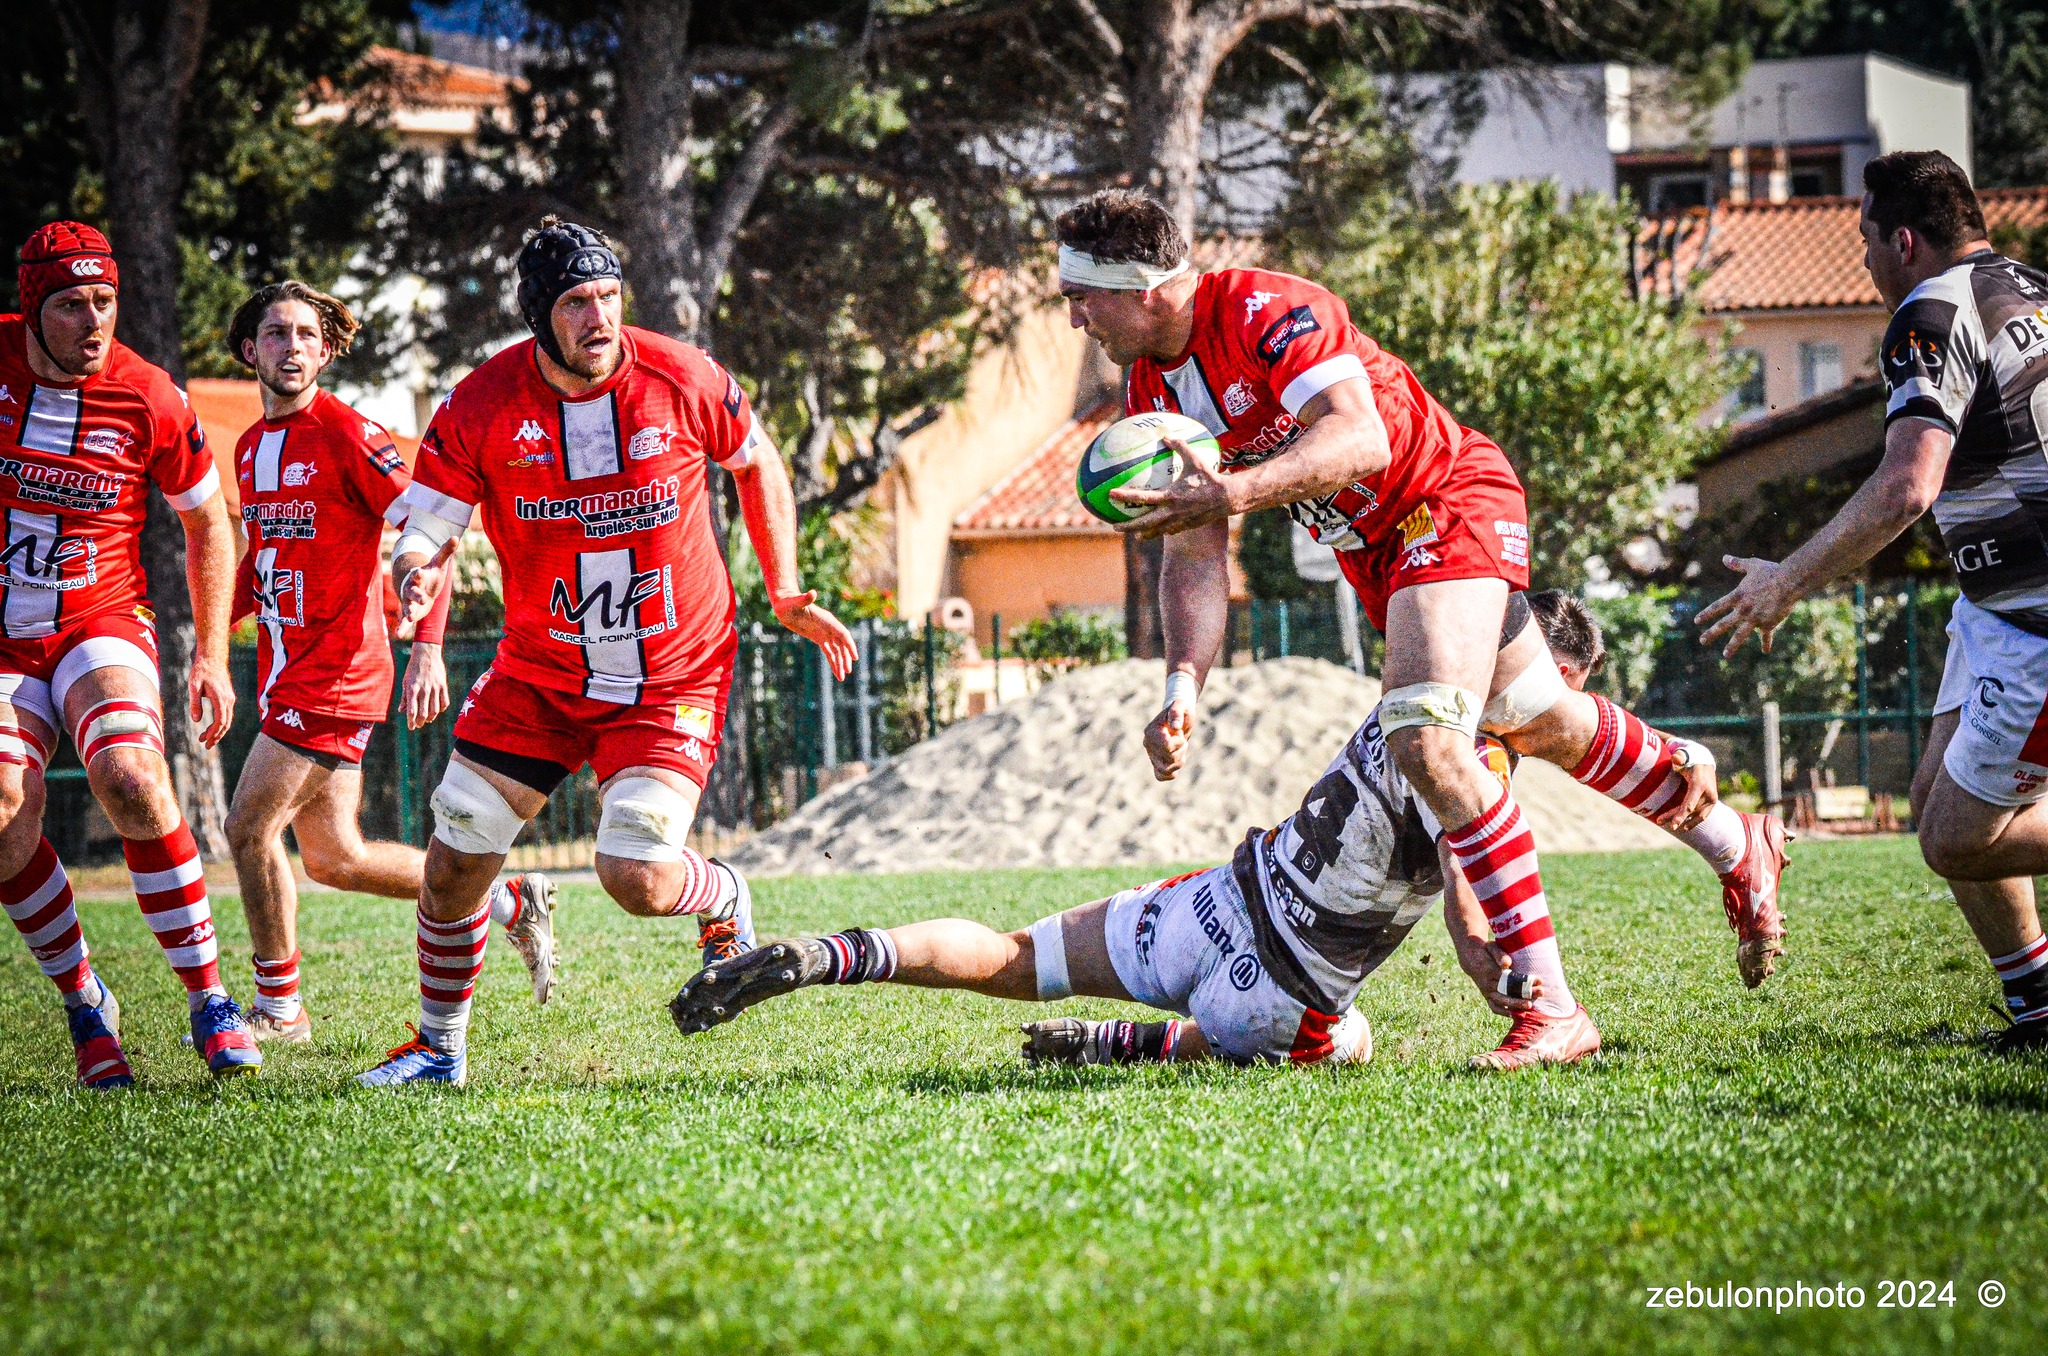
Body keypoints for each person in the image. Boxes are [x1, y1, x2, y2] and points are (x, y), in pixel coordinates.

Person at [1049, 192, 1788, 1069]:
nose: (1073, 318)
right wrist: (1182, 690)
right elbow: (1196, 555)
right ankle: (1735, 840)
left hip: (1444, 501)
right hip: (1378, 550)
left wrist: (1238, 490)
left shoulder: (1267, 309)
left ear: (1142, 287)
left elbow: (1360, 440)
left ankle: (1555, 1013)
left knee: (1427, 741)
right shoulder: (1152, 387)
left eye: (1080, 294)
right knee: (1537, 719)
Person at [672, 592, 1640, 1071]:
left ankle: (834, 954)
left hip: (1209, 907)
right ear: (1552, 681)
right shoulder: (1474, 763)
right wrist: (1520, 1000)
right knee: (1352, 1042)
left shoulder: (1405, 704)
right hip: (1275, 995)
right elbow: (1474, 931)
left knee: (1009, 955)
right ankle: (1125, 1045)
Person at [356, 218, 857, 1087]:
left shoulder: (682, 374)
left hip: (674, 672)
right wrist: (413, 571)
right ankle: (439, 1051)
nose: (600, 318)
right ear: (538, 316)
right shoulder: (479, 403)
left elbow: (760, 462)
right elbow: (429, 525)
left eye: (609, 296)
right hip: (541, 672)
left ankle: (725, 893)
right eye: (577, 303)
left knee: (637, 878)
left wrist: (785, 590)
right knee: (453, 859)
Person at [1698, 150, 2048, 1054]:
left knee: (1955, 838)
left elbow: (1905, 488)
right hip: (1996, 607)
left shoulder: (1929, 312)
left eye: (1863, 240)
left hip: (2037, 616)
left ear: (1903, 239)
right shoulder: (2033, 287)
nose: (1861, 260)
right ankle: (2040, 1006)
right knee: (1934, 793)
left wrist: (1786, 582)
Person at [220, 281, 558, 1043]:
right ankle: (508, 902)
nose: (293, 346)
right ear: (251, 351)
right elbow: (262, 565)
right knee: (337, 858)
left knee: (247, 830)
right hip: (286, 671)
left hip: (336, 673)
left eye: (309, 334)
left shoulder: (348, 435)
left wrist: (428, 645)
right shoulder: (248, 448)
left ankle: (279, 1009)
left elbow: (428, 527)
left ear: (328, 350)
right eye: (276, 334)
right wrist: (208, 640)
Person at [0, 221, 256, 1085]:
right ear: (33, 307)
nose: (93, 320)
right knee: (3, 814)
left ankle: (210, 999)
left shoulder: (149, 395)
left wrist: (214, 656)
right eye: (71, 304)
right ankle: (84, 1002)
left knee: (133, 778)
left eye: (105, 301)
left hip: (98, 616)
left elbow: (207, 522)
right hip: (2, 638)